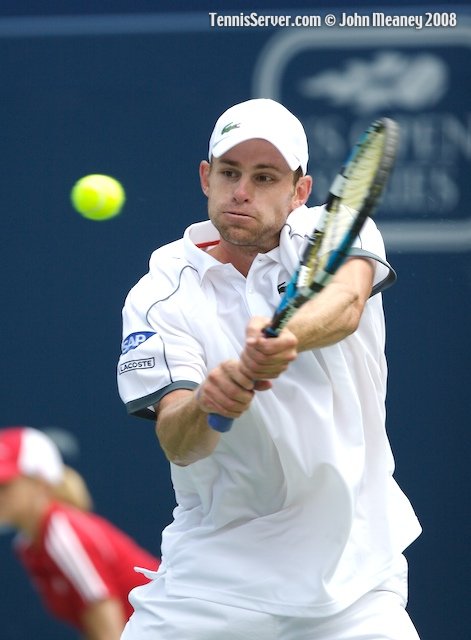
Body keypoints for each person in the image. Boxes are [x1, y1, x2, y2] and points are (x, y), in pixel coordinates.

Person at [117, 98, 422, 639]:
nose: (242, 191)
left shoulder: (338, 229)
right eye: (230, 173)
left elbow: (347, 304)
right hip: (211, 583)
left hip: (353, 583)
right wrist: (210, 403)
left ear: (299, 192)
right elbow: (178, 440)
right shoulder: (159, 292)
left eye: (264, 177)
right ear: (206, 178)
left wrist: (285, 338)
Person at [0, 426, 160, 640]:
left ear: (39, 482)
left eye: (4, 485)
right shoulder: (28, 546)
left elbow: (109, 633)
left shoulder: (63, 535)